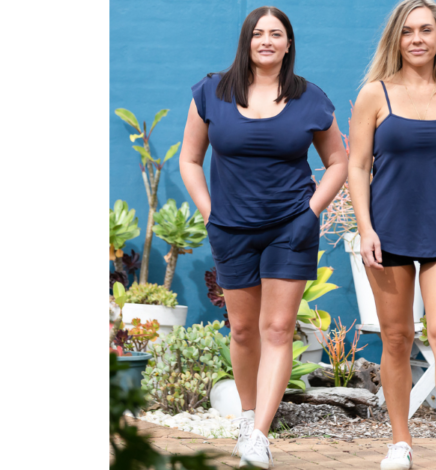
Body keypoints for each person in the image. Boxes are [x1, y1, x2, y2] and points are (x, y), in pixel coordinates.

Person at [179, 6, 348, 469]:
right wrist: (209, 211)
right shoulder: (212, 93)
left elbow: (339, 161)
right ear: (247, 41)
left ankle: (258, 435)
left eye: (276, 34)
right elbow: (190, 159)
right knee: (242, 328)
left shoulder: (310, 99)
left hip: (289, 228)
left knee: (277, 329)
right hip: (230, 229)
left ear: (288, 44)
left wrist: (311, 212)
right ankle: (247, 415)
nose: (267, 40)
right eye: (259, 33)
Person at [348, 1, 436, 469]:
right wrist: (365, 228)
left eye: (426, 30)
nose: (417, 39)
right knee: (396, 338)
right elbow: (357, 165)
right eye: (408, 31)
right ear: (396, 39)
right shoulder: (374, 94)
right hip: (386, 232)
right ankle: (400, 442)